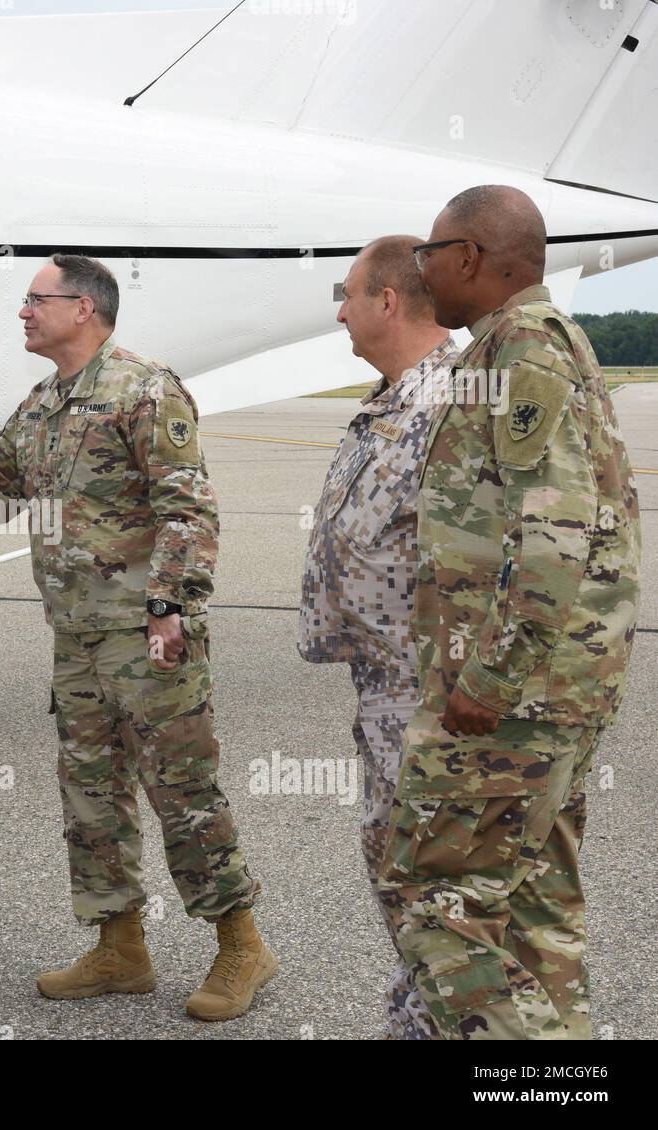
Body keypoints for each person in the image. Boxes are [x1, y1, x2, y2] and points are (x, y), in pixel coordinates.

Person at [0, 254, 275, 1022]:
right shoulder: (43, 404)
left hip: (146, 634)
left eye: (35, 300)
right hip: (75, 638)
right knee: (92, 796)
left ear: (84, 308)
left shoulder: (144, 389)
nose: (23, 313)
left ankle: (242, 944)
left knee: (183, 794)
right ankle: (120, 948)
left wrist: (170, 607)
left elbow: (187, 509)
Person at [379, 185, 641, 1039]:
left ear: (468, 258)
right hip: (548, 690)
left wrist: (488, 680)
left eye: (429, 252)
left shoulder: (522, 351)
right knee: (533, 907)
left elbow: (555, 536)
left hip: (513, 699)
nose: (420, 268)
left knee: (435, 897)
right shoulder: (515, 346)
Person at [299, 235, 457, 1039]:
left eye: (350, 294)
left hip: (432, 704)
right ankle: (417, 1020)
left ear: (387, 302)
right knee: (399, 876)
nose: (340, 310)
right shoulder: (393, 399)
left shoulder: (452, 406)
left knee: (437, 890)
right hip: (385, 694)